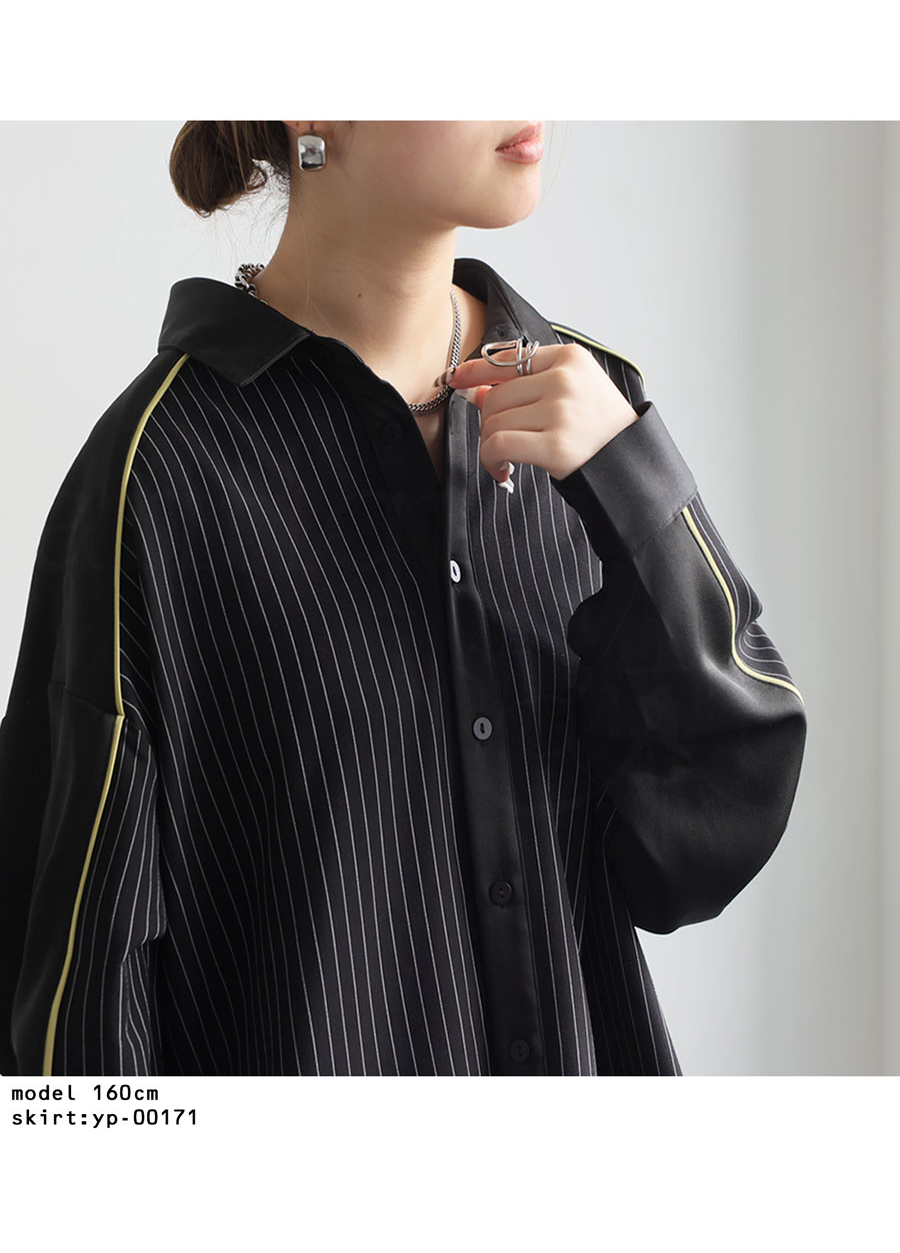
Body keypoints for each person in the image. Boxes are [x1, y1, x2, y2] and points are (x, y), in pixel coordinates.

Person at [0, 120, 807, 1077]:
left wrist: (634, 486)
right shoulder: (159, 475)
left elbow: (704, 847)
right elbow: (79, 990)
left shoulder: (595, 412)